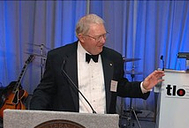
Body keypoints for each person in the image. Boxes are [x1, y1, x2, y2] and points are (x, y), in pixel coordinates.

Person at [30, 14, 164, 114]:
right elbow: (44, 91)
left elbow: (120, 87)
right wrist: (35, 116)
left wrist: (143, 86)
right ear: (81, 37)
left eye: (104, 35)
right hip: (69, 126)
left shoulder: (113, 58)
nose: (103, 41)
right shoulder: (59, 57)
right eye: (98, 37)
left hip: (104, 126)